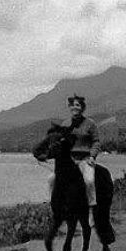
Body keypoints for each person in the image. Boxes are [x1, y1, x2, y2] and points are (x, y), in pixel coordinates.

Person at [48, 94, 101, 226]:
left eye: (77, 105)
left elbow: (96, 142)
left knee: (89, 181)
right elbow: (60, 143)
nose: (74, 107)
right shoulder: (65, 124)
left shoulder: (90, 124)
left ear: (82, 107)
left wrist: (92, 156)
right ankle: (56, 208)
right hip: (69, 161)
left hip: (85, 159)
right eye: (72, 105)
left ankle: (90, 211)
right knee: (51, 179)